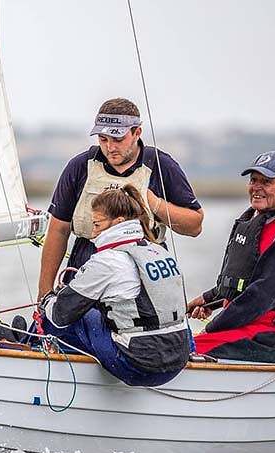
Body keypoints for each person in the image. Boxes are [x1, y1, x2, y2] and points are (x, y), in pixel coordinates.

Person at [38, 97, 203, 302]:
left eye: (118, 139)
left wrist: (156, 204)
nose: (110, 147)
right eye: (103, 139)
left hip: (143, 267)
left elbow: (195, 225)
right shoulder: (80, 166)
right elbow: (58, 229)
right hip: (88, 262)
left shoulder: (161, 165)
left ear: (137, 132)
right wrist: (44, 293)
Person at [37, 185, 191, 387]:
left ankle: (38, 351)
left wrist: (46, 300)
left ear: (118, 222)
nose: (92, 234)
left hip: (138, 367)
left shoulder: (106, 261)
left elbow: (60, 314)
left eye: (97, 225)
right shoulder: (158, 251)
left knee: (67, 315)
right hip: (177, 360)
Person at [187, 151, 275, 363]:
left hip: (271, 335)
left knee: (181, 349)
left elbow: (261, 295)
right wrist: (209, 300)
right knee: (181, 344)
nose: (257, 187)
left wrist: (212, 327)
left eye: (266, 181)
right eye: (253, 180)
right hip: (248, 323)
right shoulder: (257, 220)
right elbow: (244, 279)